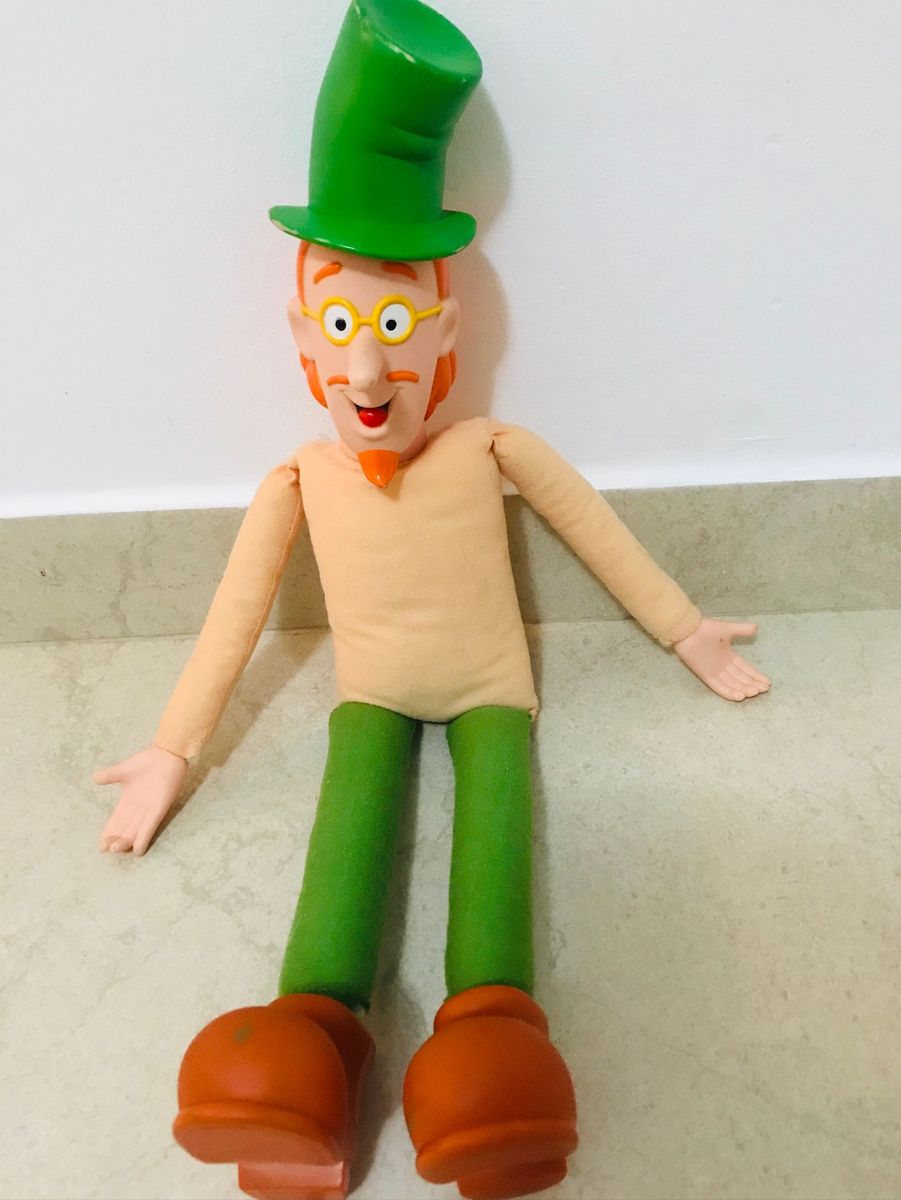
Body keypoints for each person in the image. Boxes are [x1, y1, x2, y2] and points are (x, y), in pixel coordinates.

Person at [93, 4, 770, 1199]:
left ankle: (494, 1036)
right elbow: (233, 620)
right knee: (347, 832)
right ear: (305, 338)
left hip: (490, 689)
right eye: (343, 327)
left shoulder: (489, 447)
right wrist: (172, 749)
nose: (367, 369)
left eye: (394, 326)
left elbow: (593, 530)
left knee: (495, 830)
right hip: (371, 693)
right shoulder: (298, 480)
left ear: (443, 329)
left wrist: (682, 629)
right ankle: (313, 1037)